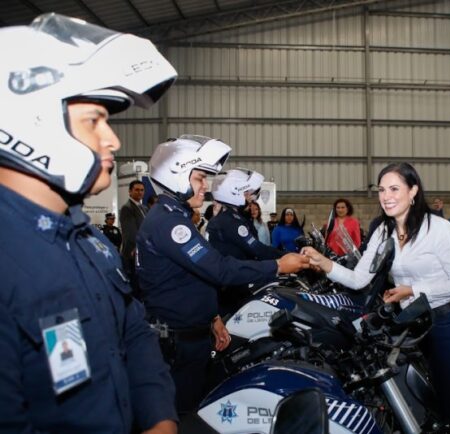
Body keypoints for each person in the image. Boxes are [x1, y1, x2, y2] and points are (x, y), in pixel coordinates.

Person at [0, 13, 178, 433]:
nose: (113, 139)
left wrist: (159, 418)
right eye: (94, 121)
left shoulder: (88, 241)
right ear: (31, 121)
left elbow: (134, 334)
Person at [136, 136, 309, 414]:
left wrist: (213, 319)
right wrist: (277, 266)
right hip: (178, 339)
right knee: (181, 412)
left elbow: (194, 275)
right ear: (177, 175)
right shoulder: (168, 222)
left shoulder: (175, 216)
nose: (205, 186)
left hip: (192, 333)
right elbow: (219, 269)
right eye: (199, 178)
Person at [303, 163, 450, 433]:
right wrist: (323, 262)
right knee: (433, 406)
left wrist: (412, 289)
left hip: (449, 325)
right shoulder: (383, 231)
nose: (386, 196)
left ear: (413, 192)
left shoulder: (439, 228)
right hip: (416, 327)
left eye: (395, 188)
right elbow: (359, 278)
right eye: (382, 190)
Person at [207, 168, 283, 315]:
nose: (250, 198)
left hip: (236, 281)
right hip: (231, 287)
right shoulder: (229, 221)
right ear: (233, 193)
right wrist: (290, 256)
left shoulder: (234, 218)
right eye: (246, 193)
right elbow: (258, 250)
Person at [120, 179, 146, 278]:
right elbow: (130, 233)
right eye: (137, 190)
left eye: (142, 190)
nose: (140, 192)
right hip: (133, 251)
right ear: (130, 191)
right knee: (135, 281)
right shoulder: (127, 208)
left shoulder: (144, 208)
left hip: (143, 250)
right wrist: (137, 248)